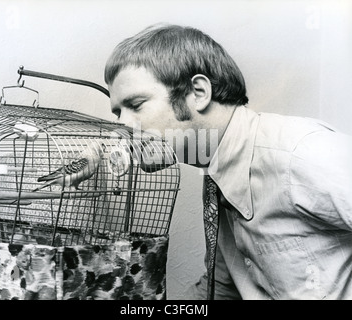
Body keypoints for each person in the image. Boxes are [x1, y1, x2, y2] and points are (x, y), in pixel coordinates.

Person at [103, 23, 352, 300]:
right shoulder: (216, 173)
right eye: (118, 113)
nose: (123, 126)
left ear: (198, 93)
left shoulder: (302, 153)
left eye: (135, 105)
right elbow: (220, 291)